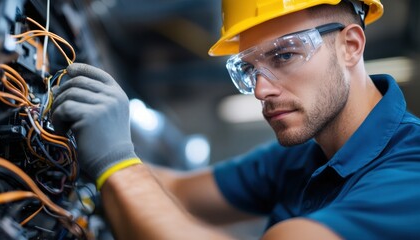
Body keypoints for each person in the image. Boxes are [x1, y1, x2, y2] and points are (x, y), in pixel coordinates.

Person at [52, 0, 420, 239]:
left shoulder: (410, 172)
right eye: (248, 68)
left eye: (284, 56)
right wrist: (73, 152)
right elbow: (180, 191)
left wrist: (115, 163)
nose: (261, 90)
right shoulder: (305, 154)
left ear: (351, 46)